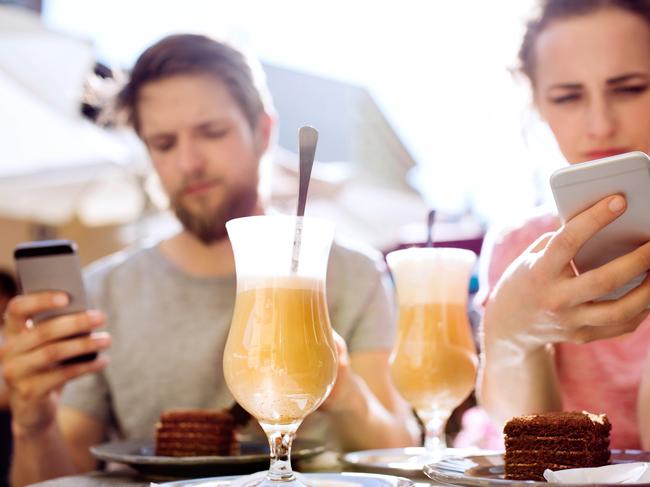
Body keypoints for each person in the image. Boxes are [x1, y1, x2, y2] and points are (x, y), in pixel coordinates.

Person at [0, 34, 421, 485]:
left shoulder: (352, 274)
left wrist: (343, 392)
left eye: (212, 132)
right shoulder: (106, 291)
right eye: (163, 143)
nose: (189, 162)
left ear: (262, 132)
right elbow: (63, 480)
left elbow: (400, 453)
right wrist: (33, 425)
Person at [477, 0, 650, 450]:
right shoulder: (521, 245)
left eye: (630, 88)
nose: (600, 125)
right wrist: (509, 336)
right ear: (537, 103)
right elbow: (536, 458)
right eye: (568, 97)